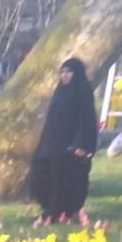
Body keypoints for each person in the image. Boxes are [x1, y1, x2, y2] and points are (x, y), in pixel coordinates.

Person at [28, 58, 98, 223]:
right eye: (63, 72)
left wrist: (80, 144)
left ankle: (57, 211)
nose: (65, 75)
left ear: (76, 73)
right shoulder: (60, 91)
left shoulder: (83, 92)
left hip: (72, 144)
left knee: (64, 178)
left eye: (69, 72)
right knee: (44, 174)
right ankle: (51, 209)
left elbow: (86, 120)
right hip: (54, 141)